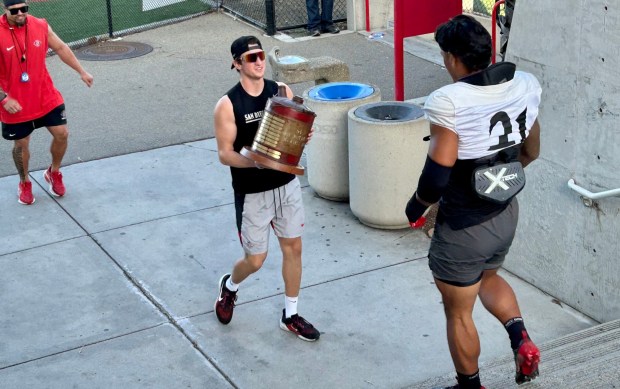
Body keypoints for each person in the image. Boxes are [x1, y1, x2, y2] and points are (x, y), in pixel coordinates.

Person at [405, 15, 541, 388]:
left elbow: (437, 175)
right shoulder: (524, 85)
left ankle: (469, 385)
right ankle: (521, 340)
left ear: (451, 58)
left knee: (459, 313)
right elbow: (532, 149)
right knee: (489, 277)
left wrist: (416, 208)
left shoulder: (449, 101)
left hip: (464, 225)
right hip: (505, 213)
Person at [213, 35, 320, 342]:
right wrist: (257, 163)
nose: (259, 61)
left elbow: (297, 129)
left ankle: (291, 314)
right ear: (236, 64)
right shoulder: (228, 104)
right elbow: (225, 154)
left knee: (293, 248)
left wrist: (302, 136)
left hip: (286, 185)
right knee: (255, 260)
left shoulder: (281, 91)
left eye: (260, 55)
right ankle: (230, 287)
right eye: (250, 58)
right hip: (252, 192)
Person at [0, 0, 93, 205]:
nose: (21, 14)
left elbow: (60, 47)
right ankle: (24, 182)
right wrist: (3, 98)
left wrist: (81, 71)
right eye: (15, 11)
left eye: (24, 9)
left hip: (45, 96)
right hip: (14, 103)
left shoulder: (40, 25)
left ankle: (54, 172)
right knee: (21, 145)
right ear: (4, 9)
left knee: (62, 134)